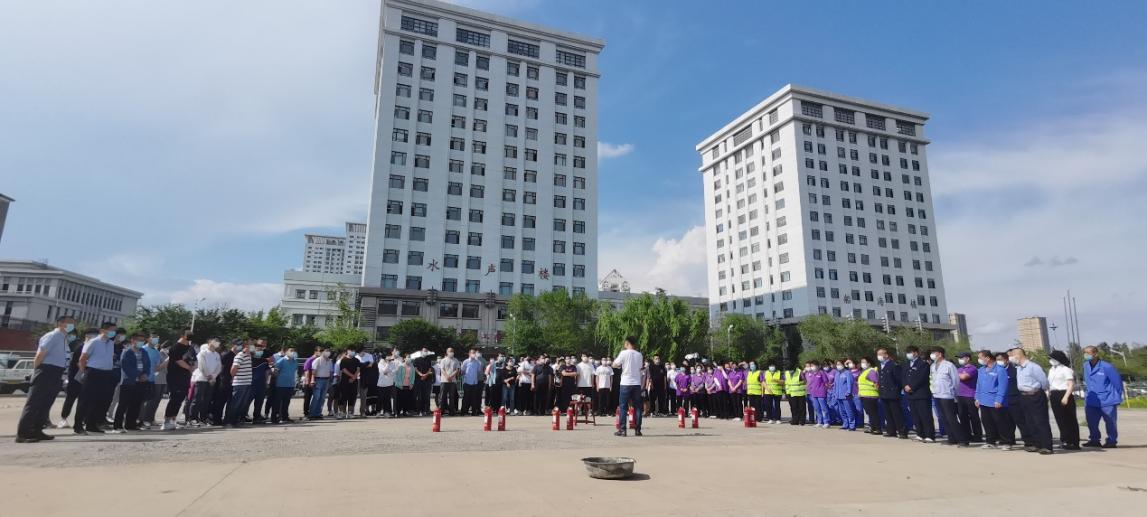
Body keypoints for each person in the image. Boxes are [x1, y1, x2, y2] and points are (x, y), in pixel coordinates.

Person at [16, 316, 73, 443]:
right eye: (69, 323)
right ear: (60, 323)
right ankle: (23, 433)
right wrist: (37, 371)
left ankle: (37, 430)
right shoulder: (53, 336)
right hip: (46, 370)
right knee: (34, 403)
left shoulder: (64, 338)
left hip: (56, 372)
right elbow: (40, 354)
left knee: (46, 404)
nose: (72, 325)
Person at [74, 323, 119, 435]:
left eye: (114, 330)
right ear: (103, 330)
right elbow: (83, 358)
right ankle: (78, 426)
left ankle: (92, 424)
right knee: (85, 400)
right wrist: (83, 372)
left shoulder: (111, 343)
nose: (113, 333)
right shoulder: (93, 342)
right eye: (111, 330)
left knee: (99, 401)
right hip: (93, 372)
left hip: (106, 373)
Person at [1010, 347, 1052, 454]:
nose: (1011, 358)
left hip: (1035, 395)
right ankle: (1036, 444)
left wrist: (1038, 391)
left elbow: (1044, 382)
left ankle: (1046, 446)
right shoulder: (1019, 368)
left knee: (1040, 421)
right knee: (1029, 421)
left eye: (1012, 356)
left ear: (1018, 355)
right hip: (1023, 396)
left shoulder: (1033, 367)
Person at [1082, 346, 1123, 449]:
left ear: (1095, 354)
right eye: (1084, 353)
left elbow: (1117, 382)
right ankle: (1094, 440)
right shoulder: (1085, 366)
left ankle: (1111, 441)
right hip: (1092, 399)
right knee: (1091, 422)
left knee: (1110, 422)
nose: (1086, 355)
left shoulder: (1107, 367)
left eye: (1088, 353)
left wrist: (1117, 396)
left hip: (1107, 399)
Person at [930, 347, 968, 447]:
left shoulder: (949, 365)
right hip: (936, 394)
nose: (932, 354)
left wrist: (954, 394)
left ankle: (963, 439)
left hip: (947, 395)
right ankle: (952, 438)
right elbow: (932, 379)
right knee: (943, 418)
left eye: (934, 352)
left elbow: (956, 381)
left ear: (940, 354)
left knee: (951, 418)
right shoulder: (933, 366)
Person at [161, 329, 195, 430]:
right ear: (182, 335)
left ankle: (173, 419)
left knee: (180, 398)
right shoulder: (175, 347)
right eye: (188, 334)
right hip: (175, 377)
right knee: (174, 398)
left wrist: (193, 367)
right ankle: (166, 421)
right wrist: (189, 368)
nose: (190, 336)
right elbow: (178, 360)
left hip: (185, 376)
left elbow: (194, 359)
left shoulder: (190, 348)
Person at [1046, 350, 1079, 450]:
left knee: (1070, 419)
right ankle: (1064, 440)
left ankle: (1073, 442)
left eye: (1052, 358)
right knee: (1060, 419)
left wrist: (1066, 397)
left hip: (1064, 393)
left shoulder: (1066, 369)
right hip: (1054, 394)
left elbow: (1071, 384)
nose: (1050, 360)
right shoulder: (1051, 370)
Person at [58, 328, 91, 429]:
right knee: (70, 398)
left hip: (85, 377)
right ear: (86, 336)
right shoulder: (80, 347)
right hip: (75, 377)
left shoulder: (91, 347)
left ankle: (81, 420)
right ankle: (63, 419)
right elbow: (79, 363)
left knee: (83, 400)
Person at [612, 336, 644, 437]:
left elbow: (614, 364)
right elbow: (640, 367)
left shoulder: (623, 353)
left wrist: (619, 366)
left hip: (625, 383)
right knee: (638, 407)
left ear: (627, 343)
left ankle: (622, 430)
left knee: (623, 406)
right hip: (636, 383)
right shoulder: (639, 354)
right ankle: (638, 430)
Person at [903, 346, 935, 442]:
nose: (908, 354)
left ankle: (929, 435)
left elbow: (922, 378)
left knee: (925, 415)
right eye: (907, 352)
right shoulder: (906, 364)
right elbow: (903, 377)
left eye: (910, 352)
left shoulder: (923, 364)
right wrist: (905, 385)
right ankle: (920, 434)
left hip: (921, 393)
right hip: (910, 394)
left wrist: (912, 387)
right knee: (915, 415)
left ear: (916, 353)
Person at [973, 350, 1003, 449]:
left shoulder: (999, 369)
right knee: (986, 422)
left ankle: (1006, 441)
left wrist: (999, 399)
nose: (979, 360)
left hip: (994, 400)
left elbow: (1002, 386)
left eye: (980, 358)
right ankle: (990, 441)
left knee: (999, 421)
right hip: (983, 400)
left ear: (988, 358)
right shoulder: (981, 370)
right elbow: (978, 385)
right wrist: (977, 398)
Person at [189, 338, 222, 426]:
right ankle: (193, 418)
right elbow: (202, 366)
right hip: (201, 379)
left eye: (217, 343)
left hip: (211, 380)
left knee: (207, 400)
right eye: (213, 342)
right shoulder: (202, 353)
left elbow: (218, 367)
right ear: (209, 343)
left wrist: (213, 376)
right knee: (197, 399)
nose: (215, 344)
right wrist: (208, 376)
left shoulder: (217, 354)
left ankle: (203, 418)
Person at [876, 348, 906, 439]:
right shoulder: (881, 366)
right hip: (884, 393)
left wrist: (896, 390)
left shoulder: (893, 365)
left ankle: (902, 431)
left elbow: (899, 380)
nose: (879, 356)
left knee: (896, 413)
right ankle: (891, 431)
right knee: (888, 414)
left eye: (881, 354)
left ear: (886, 355)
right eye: (878, 354)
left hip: (893, 393)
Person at [140, 334, 167, 429]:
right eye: (154, 338)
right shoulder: (143, 349)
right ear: (148, 339)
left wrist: (167, 361)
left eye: (157, 338)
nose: (156, 340)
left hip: (152, 379)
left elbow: (157, 368)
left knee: (154, 401)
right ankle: (141, 420)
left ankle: (149, 419)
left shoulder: (156, 352)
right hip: (142, 378)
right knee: (142, 401)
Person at [954, 351, 983, 443]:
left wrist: (955, 374)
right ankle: (967, 435)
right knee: (963, 416)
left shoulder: (972, 368)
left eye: (961, 358)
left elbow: (964, 377)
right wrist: (957, 374)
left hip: (971, 395)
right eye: (959, 358)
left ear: (968, 358)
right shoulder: (959, 369)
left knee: (974, 417)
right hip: (960, 395)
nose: (959, 360)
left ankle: (978, 436)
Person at [226, 340, 253, 427]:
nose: (252, 347)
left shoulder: (248, 355)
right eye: (250, 345)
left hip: (247, 382)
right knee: (236, 403)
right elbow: (233, 369)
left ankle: (236, 420)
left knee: (242, 403)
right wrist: (234, 377)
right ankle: (230, 421)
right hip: (240, 383)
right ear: (245, 346)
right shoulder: (240, 355)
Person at [271, 347, 298, 424]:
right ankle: (275, 417)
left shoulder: (294, 362)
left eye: (294, 351)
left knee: (286, 402)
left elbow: (295, 372)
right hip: (280, 385)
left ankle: (285, 417)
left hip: (290, 384)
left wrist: (295, 382)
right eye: (291, 351)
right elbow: (275, 372)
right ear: (286, 352)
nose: (293, 352)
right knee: (277, 402)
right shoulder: (281, 361)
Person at [249, 339, 271, 423]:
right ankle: (241, 416)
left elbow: (267, 372)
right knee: (247, 401)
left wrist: (267, 382)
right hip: (251, 383)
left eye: (261, 349)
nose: (260, 351)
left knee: (259, 401)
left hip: (261, 383)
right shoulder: (249, 359)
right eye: (258, 349)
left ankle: (257, 417)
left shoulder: (264, 360)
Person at [857, 357, 881, 434]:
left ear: (869, 363)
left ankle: (878, 428)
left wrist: (877, 390)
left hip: (871, 395)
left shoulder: (871, 371)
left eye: (864, 362)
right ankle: (873, 427)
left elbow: (876, 383)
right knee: (869, 413)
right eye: (861, 362)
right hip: (864, 395)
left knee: (873, 413)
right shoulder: (864, 371)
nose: (862, 364)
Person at [831, 359, 856, 431]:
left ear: (843, 365)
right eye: (837, 364)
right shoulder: (837, 374)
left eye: (839, 364)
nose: (838, 366)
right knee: (842, 411)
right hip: (838, 395)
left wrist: (849, 392)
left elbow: (850, 383)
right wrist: (834, 393)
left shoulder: (847, 373)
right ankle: (845, 424)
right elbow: (835, 385)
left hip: (846, 396)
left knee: (849, 411)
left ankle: (852, 425)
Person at [804, 361, 830, 428]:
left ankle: (826, 422)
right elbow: (810, 383)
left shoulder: (822, 373)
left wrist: (825, 390)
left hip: (821, 393)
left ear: (818, 366)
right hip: (813, 394)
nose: (812, 367)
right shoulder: (812, 374)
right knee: (817, 408)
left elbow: (826, 382)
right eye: (811, 366)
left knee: (824, 408)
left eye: (814, 365)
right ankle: (819, 422)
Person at [337, 347, 361, 419]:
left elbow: (358, 369)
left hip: (354, 381)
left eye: (353, 350)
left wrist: (354, 377)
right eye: (351, 350)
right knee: (342, 397)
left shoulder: (356, 360)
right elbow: (343, 369)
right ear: (347, 351)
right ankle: (342, 413)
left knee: (352, 397)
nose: (352, 352)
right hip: (344, 381)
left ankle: (350, 413)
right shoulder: (343, 360)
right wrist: (352, 376)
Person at [461, 348, 483, 416]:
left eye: (474, 353)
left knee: (474, 398)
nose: (474, 354)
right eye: (472, 353)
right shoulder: (465, 361)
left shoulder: (478, 362)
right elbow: (462, 371)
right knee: (466, 397)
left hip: (474, 382)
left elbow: (479, 371)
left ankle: (474, 412)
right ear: (469, 354)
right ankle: (464, 412)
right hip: (467, 382)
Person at [438, 348, 460, 416]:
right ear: (447, 352)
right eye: (450, 351)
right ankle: (441, 411)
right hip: (444, 380)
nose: (451, 352)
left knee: (452, 396)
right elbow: (442, 369)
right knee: (442, 396)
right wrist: (447, 376)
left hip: (452, 381)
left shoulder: (456, 360)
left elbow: (457, 369)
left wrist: (451, 376)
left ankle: (451, 411)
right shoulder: (443, 360)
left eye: (452, 351)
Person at [376, 349, 396, 418]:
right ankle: (378, 412)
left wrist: (388, 372)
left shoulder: (392, 363)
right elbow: (383, 371)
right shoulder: (380, 363)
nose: (390, 357)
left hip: (389, 383)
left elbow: (394, 372)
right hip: (381, 384)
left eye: (390, 355)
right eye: (388, 355)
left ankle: (386, 412)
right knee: (380, 398)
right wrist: (387, 364)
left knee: (387, 399)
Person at [413, 348, 433, 416]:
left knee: (426, 396)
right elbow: (415, 368)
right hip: (418, 380)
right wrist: (421, 374)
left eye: (426, 351)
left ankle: (426, 410)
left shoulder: (428, 359)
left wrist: (425, 375)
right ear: (421, 352)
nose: (425, 352)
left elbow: (429, 369)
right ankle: (419, 411)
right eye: (424, 351)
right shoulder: (416, 359)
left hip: (427, 380)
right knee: (419, 396)